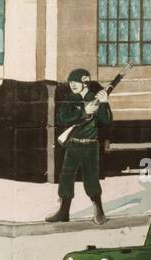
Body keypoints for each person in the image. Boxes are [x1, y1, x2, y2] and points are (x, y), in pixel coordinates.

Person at [46, 68, 113, 225]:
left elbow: (106, 121)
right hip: (73, 145)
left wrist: (104, 103)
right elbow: (62, 117)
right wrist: (84, 111)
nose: (72, 85)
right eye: (71, 82)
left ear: (85, 82)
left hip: (90, 146)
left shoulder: (95, 98)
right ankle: (63, 212)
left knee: (91, 179)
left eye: (76, 82)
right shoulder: (71, 99)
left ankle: (99, 212)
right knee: (66, 177)